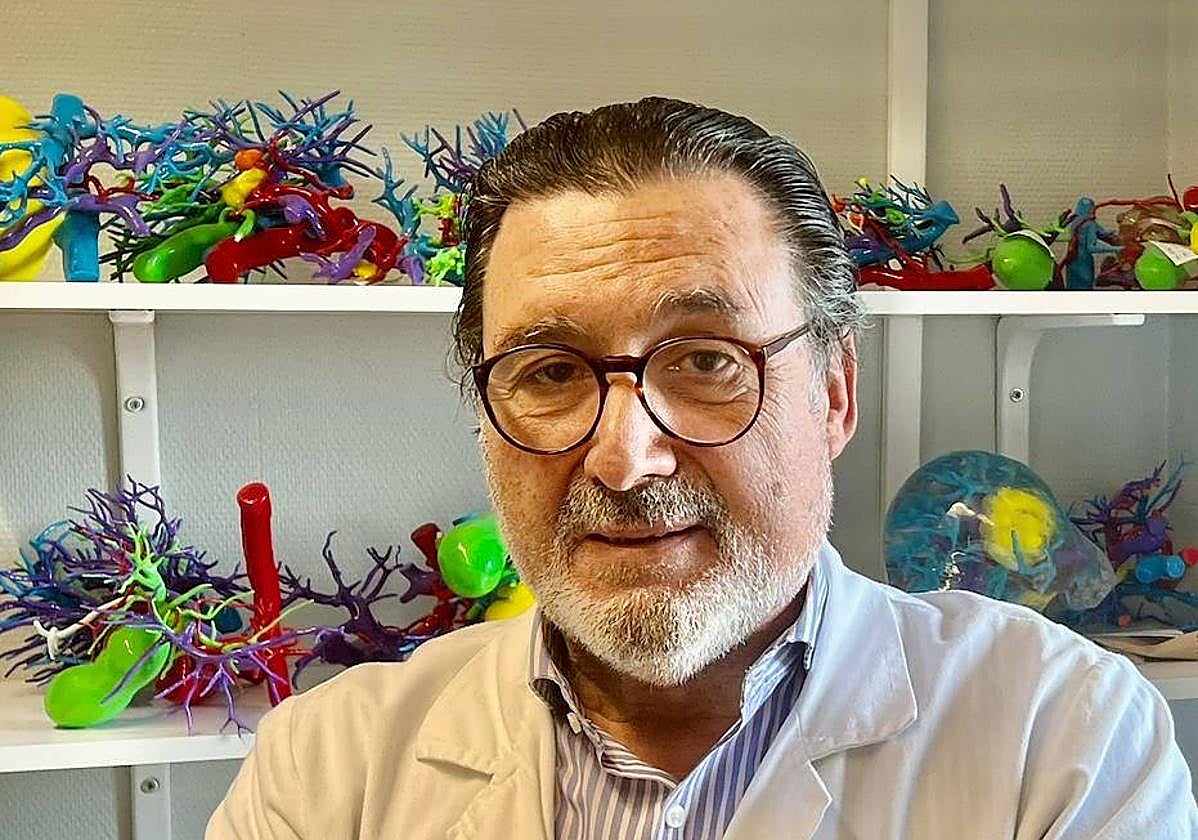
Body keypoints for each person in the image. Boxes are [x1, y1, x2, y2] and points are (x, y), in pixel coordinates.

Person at [207, 97, 1198, 839]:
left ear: (834, 394)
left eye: (707, 362)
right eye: (550, 371)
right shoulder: (324, 777)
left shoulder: (1063, 739)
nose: (625, 458)